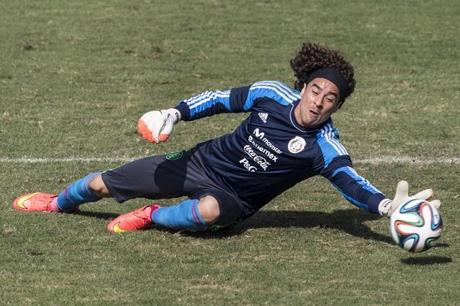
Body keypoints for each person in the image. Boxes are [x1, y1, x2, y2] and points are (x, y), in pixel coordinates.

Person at [13, 42, 441, 234]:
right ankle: (55, 203)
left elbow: (350, 183)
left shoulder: (324, 146)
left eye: (330, 99)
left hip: (236, 198)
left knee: (210, 209)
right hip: (199, 161)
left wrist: (386, 205)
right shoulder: (271, 94)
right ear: (305, 86)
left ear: (336, 107)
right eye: (315, 91)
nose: (319, 103)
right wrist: (174, 112)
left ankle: (151, 216)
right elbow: (220, 100)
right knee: (97, 185)